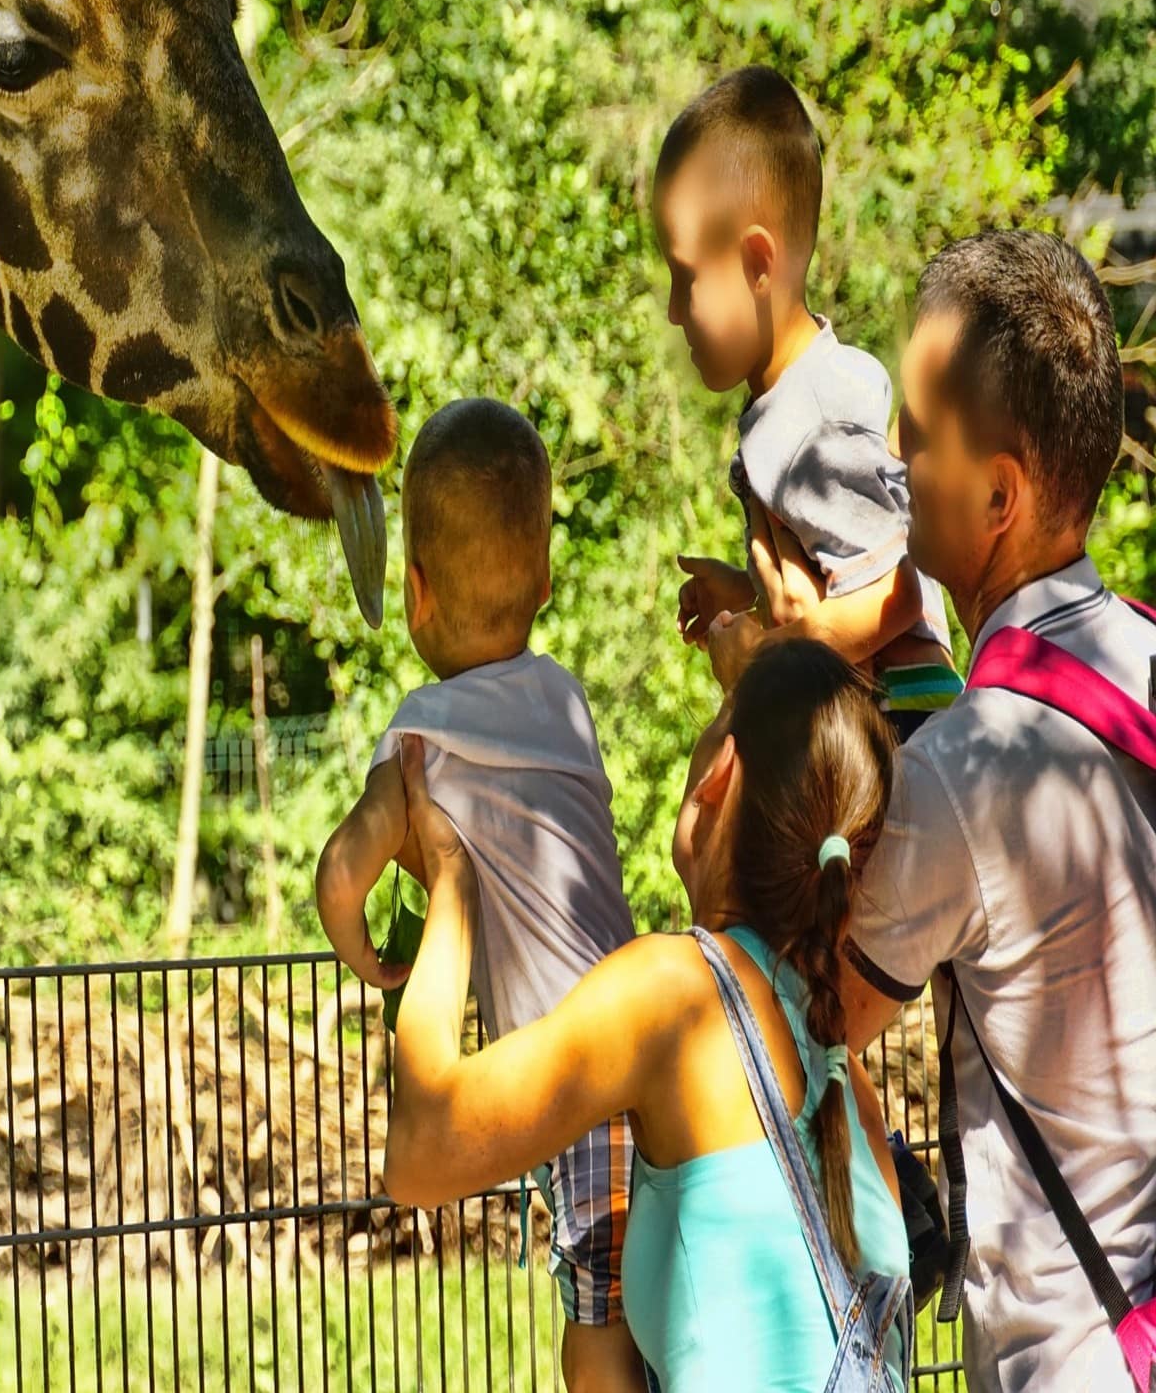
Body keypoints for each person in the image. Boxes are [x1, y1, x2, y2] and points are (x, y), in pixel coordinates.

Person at [803, 230, 1156, 1393]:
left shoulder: (966, 769)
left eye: (914, 433)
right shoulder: (1145, 658)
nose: (894, 464)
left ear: (999, 492)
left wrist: (778, 700)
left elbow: (824, 1014)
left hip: (1068, 1356)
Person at [383, 637, 912, 1393]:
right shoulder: (841, 1074)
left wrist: (453, 890)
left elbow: (419, 1153)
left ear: (718, 775)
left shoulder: (677, 993)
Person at [315, 398, 642, 1390]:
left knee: (598, 1303)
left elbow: (346, 865)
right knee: (637, 1295)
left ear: (414, 591)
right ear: (544, 578)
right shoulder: (567, 702)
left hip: (565, 1076)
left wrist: (361, 946)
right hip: (635, 1045)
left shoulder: (423, 732)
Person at [652, 65, 959, 732]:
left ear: (758, 266)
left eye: (686, 279)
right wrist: (751, 597)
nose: (674, 312)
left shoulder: (817, 418)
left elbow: (899, 590)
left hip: (906, 732)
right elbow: (837, 577)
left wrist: (774, 653)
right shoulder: (794, 398)